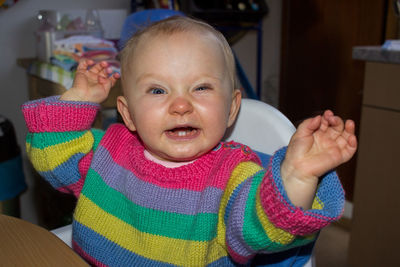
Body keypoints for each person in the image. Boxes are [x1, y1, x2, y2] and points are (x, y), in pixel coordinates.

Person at [22, 16, 357, 266]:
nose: (180, 105)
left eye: (201, 88)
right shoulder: (110, 149)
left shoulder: (234, 177)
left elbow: (263, 225)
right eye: (157, 90)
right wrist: (77, 99)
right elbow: (52, 159)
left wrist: (297, 175)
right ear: (128, 114)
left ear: (231, 109)